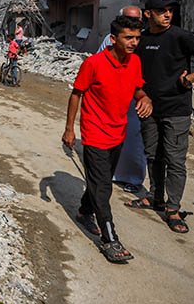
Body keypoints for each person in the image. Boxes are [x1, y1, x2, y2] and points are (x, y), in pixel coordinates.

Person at [126, 0, 194, 233]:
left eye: (170, 10)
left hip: (176, 110)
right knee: (153, 155)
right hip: (148, 108)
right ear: (148, 14)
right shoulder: (142, 38)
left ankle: (173, 209)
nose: (168, 14)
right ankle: (155, 197)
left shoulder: (181, 36)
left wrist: (190, 78)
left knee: (175, 160)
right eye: (162, 10)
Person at [62, 15, 153, 263]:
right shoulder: (93, 63)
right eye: (128, 37)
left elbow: (137, 89)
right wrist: (69, 129)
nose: (134, 42)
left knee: (98, 182)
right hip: (94, 133)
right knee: (103, 187)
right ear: (113, 39)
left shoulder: (135, 61)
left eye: (137, 38)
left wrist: (144, 98)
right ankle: (110, 239)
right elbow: (76, 94)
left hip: (118, 132)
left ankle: (84, 211)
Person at [97, 6, 146, 192]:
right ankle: (109, 173)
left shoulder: (142, 39)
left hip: (135, 95)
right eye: (128, 18)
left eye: (136, 19)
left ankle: (133, 178)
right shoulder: (110, 39)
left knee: (134, 139)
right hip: (113, 96)